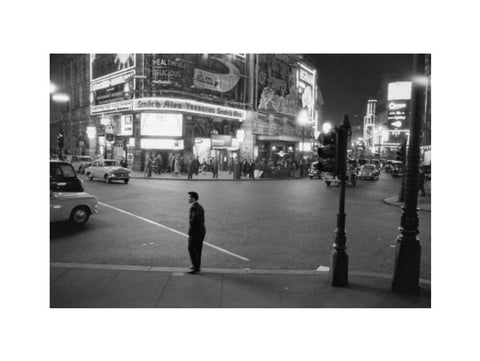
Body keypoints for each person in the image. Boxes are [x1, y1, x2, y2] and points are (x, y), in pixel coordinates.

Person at [187, 191, 206, 274]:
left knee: (191, 249)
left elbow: (193, 221)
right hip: (201, 231)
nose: (188, 199)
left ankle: (196, 267)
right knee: (198, 249)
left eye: (189, 197)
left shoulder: (193, 208)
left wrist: (190, 231)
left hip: (196, 232)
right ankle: (196, 265)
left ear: (193, 198)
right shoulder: (199, 206)